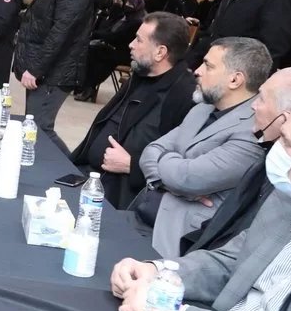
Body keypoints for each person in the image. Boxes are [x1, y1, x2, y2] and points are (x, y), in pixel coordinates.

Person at [110, 73, 291, 311]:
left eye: (287, 143)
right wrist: (159, 273)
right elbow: (231, 262)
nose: (278, 151)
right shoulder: (286, 196)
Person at [141, 37, 271, 257]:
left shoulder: (252, 130)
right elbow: (150, 151)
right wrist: (168, 181)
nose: (197, 71)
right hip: (145, 212)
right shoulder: (202, 108)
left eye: (208, 66)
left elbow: (187, 178)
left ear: (235, 79)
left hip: (175, 241)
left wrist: (170, 165)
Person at [70, 12, 196, 210]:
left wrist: (133, 165)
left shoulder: (184, 96)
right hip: (89, 176)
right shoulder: (140, 76)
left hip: (120, 199)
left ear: (160, 52)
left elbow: (187, 167)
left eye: (139, 40)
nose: (131, 44)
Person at [184, 69, 291, 255]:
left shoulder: (280, 175)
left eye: (262, 99)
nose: (253, 106)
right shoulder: (268, 158)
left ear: (284, 118)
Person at [14, 0, 96, 151]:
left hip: (55, 72)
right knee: (33, 127)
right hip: (47, 69)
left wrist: (36, 69)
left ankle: (71, 167)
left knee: (39, 128)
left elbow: (61, 32)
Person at [75, 0, 144, 102]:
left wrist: (97, 34)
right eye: (127, 4)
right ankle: (86, 86)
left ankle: (89, 87)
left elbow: (118, 37)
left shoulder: (136, 22)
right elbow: (110, 31)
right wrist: (96, 34)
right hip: (112, 47)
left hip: (125, 53)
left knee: (100, 56)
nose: (128, 6)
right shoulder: (124, 18)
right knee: (91, 51)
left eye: (131, 5)